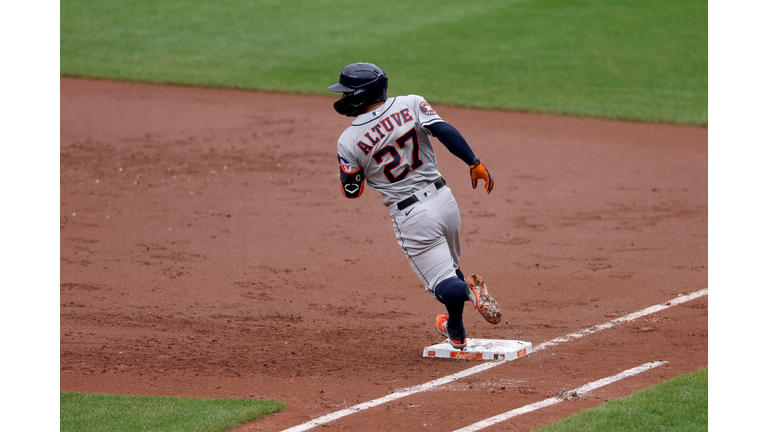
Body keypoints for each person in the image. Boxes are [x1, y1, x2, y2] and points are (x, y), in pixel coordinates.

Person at [328, 62, 502, 350]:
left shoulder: (348, 140)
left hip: (412, 216)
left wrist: (356, 169)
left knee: (442, 285)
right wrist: (475, 162)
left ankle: (471, 294)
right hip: (445, 200)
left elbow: (352, 191)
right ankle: (455, 330)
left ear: (358, 95)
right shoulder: (411, 103)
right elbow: (444, 131)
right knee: (450, 268)